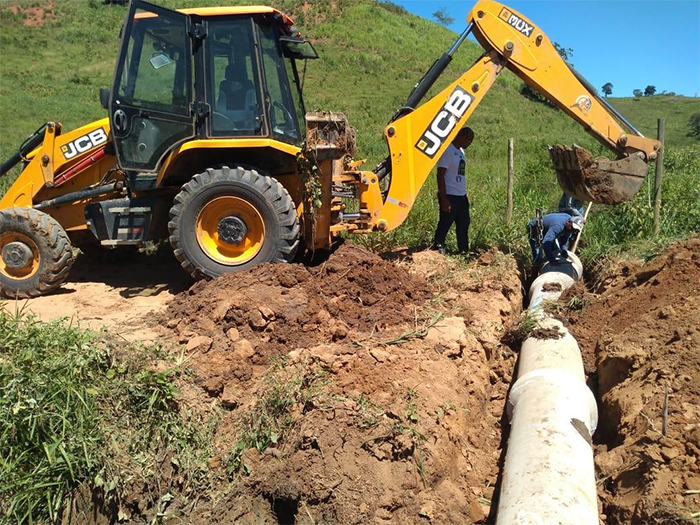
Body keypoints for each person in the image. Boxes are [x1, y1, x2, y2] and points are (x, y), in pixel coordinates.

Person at [432, 127, 474, 254]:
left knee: (464, 223)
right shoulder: (447, 151)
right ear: (461, 136)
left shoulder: (461, 152)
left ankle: (463, 251)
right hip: (449, 195)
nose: (469, 143)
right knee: (446, 222)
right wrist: (444, 198)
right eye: (469, 140)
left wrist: (465, 193)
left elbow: (460, 174)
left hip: (461, 195)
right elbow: (440, 175)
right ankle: (438, 245)